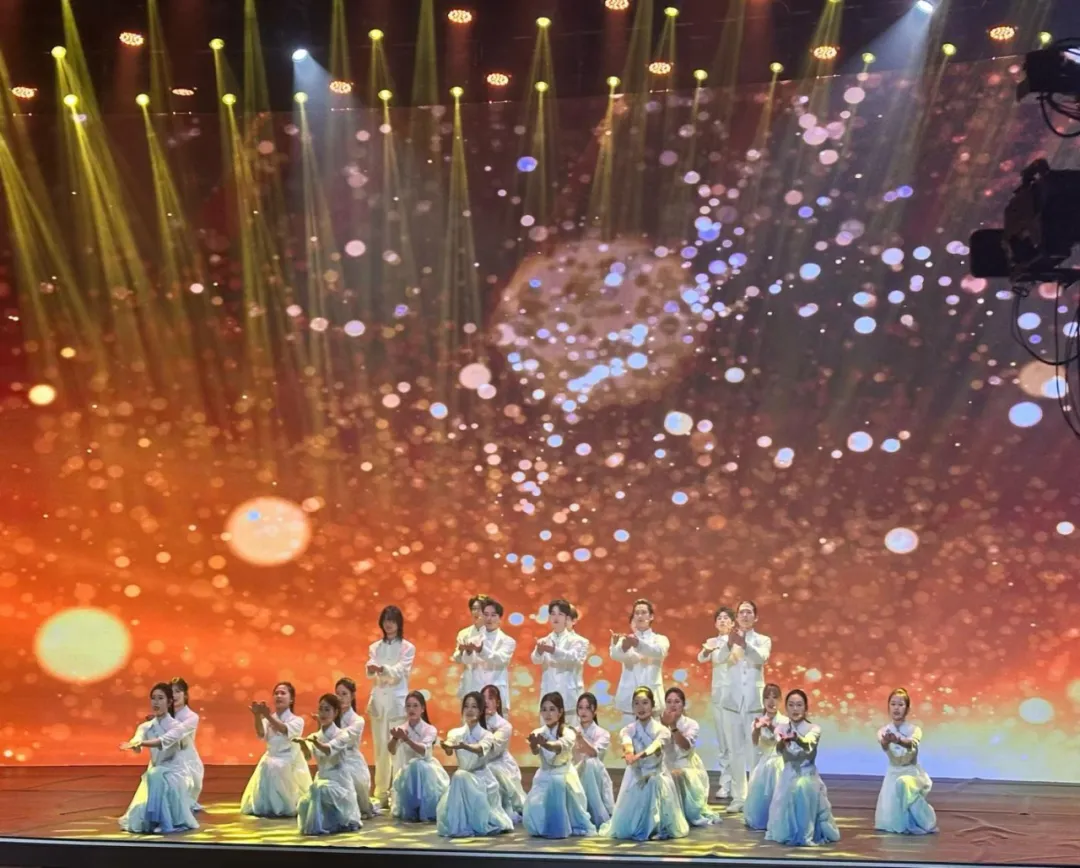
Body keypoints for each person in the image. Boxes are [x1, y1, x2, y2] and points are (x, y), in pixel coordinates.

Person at [601, 687, 689, 841]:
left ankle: (658, 827)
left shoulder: (663, 730)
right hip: (636, 774)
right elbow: (627, 743)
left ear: (652, 705)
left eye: (645, 703)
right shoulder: (628, 729)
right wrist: (629, 754)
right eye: (636, 703)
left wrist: (638, 756)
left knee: (654, 783)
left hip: (656, 774)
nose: (641, 707)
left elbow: (656, 746)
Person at [118, 682, 199, 834]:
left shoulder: (177, 727)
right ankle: (157, 819)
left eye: (160, 698)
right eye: (153, 698)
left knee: (155, 775)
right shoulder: (145, 726)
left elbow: (162, 741)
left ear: (169, 702)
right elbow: (138, 740)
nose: (156, 702)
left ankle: (162, 821)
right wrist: (135, 744)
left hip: (175, 772)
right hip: (156, 770)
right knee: (154, 775)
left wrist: (141, 743)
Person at [765, 689, 840, 847]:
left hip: (807, 776)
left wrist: (796, 738)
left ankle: (806, 833)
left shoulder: (814, 729)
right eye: (791, 705)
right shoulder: (781, 728)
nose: (795, 709)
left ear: (806, 708)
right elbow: (779, 748)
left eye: (799, 705)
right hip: (787, 775)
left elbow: (808, 745)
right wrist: (782, 742)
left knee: (802, 790)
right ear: (786, 707)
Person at [435, 691, 515, 838]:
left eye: (474, 707)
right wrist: (447, 746)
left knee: (459, 776)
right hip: (462, 778)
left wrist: (464, 746)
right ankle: (459, 826)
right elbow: (450, 748)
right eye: (466, 706)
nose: (469, 710)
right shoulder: (455, 733)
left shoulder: (487, 735)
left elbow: (480, 749)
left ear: (481, 711)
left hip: (481, 778)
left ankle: (470, 824)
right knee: (460, 776)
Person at [717, 600, 772, 812]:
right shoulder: (728, 639)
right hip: (731, 700)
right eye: (741, 612)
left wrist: (745, 645)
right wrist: (729, 644)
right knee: (734, 750)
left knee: (755, 750)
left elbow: (761, 658)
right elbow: (719, 658)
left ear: (755, 617)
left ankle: (755, 796)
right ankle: (739, 797)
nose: (745, 616)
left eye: (749, 612)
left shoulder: (763, 640)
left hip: (753, 701)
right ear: (737, 617)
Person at [523, 693, 596, 838]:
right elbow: (535, 751)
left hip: (563, 775)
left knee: (558, 789)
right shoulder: (538, 732)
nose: (547, 714)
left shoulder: (568, 732)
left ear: (560, 711)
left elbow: (558, 747)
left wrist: (545, 744)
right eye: (544, 709)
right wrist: (534, 744)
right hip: (544, 774)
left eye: (552, 709)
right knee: (535, 807)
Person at [366, 605, 416, 809]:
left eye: (392, 621)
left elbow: (400, 670)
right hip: (379, 700)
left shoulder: (407, 647)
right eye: (386, 620)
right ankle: (380, 793)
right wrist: (372, 669)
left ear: (398, 623)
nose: (389, 624)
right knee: (380, 748)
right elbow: (370, 668)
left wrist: (382, 669)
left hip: (396, 701)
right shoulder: (375, 647)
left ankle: (398, 793)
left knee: (397, 749)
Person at [240, 682, 312, 817]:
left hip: (289, 758)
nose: (279, 696)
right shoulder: (269, 718)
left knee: (278, 767)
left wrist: (267, 716)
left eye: (283, 693)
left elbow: (284, 730)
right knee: (267, 764)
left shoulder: (297, 720)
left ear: (291, 699)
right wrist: (257, 716)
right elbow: (261, 733)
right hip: (271, 756)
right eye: (276, 693)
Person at [294, 694, 363, 835]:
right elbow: (308, 756)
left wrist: (315, 743)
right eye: (321, 709)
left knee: (321, 789)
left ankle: (334, 822)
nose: (323, 713)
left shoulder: (342, 735)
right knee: (304, 803)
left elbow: (328, 750)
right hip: (322, 778)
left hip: (339, 781)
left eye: (327, 710)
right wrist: (303, 745)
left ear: (335, 712)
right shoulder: (315, 736)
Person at [875, 688, 937, 835]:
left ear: (907, 709)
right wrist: (886, 741)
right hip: (893, 774)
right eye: (893, 704)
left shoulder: (915, 730)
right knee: (891, 822)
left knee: (904, 784)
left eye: (900, 705)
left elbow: (911, 744)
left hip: (911, 773)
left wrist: (898, 740)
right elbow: (884, 745)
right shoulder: (883, 731)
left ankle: (928, 820)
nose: (896, 708)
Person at [661, 687, 721, 826]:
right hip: (666, 763)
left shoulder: (691, 724)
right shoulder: (659, 723)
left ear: (683, 704)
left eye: (677, 701)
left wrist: (673, 726)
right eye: (669, 701)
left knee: (678, 774)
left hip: (686, 764)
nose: (673, 705)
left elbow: (685, 747)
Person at [389, 690, 449, 822]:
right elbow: (391, 750)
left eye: (415, 706)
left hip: (427, 772)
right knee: (412, 767)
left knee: (418, 764)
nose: (411, 709)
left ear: (422, 708)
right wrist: (395, 738)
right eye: (408, 706)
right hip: (407, 772)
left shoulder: (430, 729)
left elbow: (423, 751)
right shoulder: (401, 728)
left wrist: (407, 740)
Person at [610, 599, 669, 728]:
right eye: (636, 613)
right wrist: (624, 647)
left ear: (651, 616)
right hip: (629, 701)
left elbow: (659, 651)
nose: (640, 616)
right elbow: (615, 655)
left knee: (654, 738)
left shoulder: (660, 639)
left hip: (652, 698)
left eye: (643, 612)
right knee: (628, 738)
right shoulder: (625, 639)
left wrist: (637, 644)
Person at [697, 607, 735, 799]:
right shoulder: (712, 641)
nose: (722, 621)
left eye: (726, 618)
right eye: (719, 618)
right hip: (719, 696)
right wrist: (707, 649)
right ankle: (725, 783)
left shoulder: (738, 641)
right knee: (723, 742)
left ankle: (740, 784)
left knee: (737, 741)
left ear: (733, 623)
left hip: (736, 696)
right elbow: (701, 658)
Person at [531, 598, 589, 727]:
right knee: (546, 735)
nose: (556, 617)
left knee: (571, 735)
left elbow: (574, 658)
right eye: (552, 614)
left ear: (567, 618)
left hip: (569, 697)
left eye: (560, 614)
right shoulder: (544, 640)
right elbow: (535, 660)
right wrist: (539, 651)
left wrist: (553, 650)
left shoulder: (579, 641)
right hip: (548, 697)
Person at [457, 598, 516, 711]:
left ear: (500, 618)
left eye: (493, 615)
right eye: (486, 614)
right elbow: (467, 662)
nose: (489, 618)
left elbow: (500, 660)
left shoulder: (508, 641)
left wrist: (481, 649)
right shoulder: (473, 639)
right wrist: (468, 651)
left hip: (496, 694)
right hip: (475, 693)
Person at [743, 683, 788, 830]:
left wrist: (769, 726)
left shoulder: (785, 721)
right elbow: (755, 743)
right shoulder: (758, 721)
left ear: (780, 700)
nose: (771, 701)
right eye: (767, 697)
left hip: (780, 761)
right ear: (763, 700)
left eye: (775, 697)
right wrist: (757, 729)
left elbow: (784, 741)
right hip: (764, 763)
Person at [480, 683, 526, 821]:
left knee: (491, 771)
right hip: (480, 761)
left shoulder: (504, 725)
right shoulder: (476, 722)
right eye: (483, 698)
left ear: (497, 702)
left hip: (499, 763)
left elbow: (493, 750)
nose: (486, 702)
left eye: (490, 698)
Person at [334, 677, 379, 818]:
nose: (340, 698)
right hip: (334, 757)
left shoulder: (357, 720)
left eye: (344, 694)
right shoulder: (332, 717)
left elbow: (343, 738)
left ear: (352, 696)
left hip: (350, 759)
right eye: (337, 694)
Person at [573, 692, 615, 828]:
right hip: (575, 772)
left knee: (590, 763)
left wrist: (580, 739)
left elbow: (593, 752)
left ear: (594, 710)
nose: (583, 711)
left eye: (587, 708)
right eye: (580, 708)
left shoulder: (603, 733)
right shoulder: (571, 731)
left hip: (595, 774)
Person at [168, 677, 205, 811]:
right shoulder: (164, 715)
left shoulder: (191, 717)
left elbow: (179, 736)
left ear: (185, 695)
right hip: (167, 757)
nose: (174, 695)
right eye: (171, 692)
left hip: (186, 759)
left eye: (178, 691)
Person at [452, 594, 489, 698]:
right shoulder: (464, 633)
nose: (476, 612)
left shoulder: (492, 634)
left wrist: (474, 650)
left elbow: (491, 658)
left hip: (486, 681)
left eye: (480, 609)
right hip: (468, 681)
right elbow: (457, 659)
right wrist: (461, 651)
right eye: (474, 609)